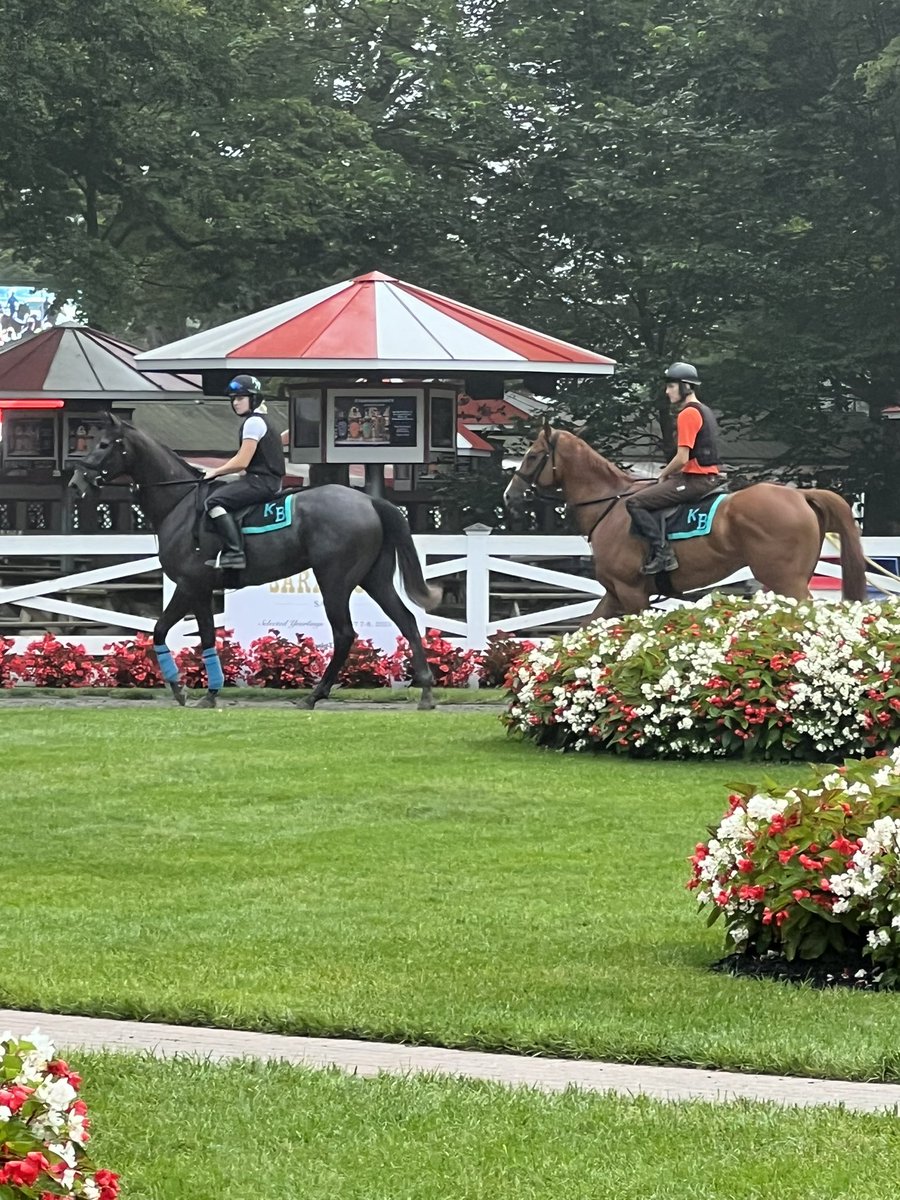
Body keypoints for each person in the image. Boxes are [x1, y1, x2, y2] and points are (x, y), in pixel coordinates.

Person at [625, 362, 723, 575]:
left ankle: (663, 554)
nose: (667, 391)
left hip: (695, 480)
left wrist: (664, 474)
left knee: (635, 502)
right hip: (706, 477)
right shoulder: (705, 410)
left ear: (685, 387)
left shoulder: (688, 413)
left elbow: (681, 457)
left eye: (671, 386)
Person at [203, 375, 285, 569]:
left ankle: (234, 552)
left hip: (260, 483)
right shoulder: (264, 420)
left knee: (213, 501)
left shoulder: (253, 423)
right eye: (233, 399)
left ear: (253, 398)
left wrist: (215, 472)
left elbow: (242, 461)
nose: (235, 403)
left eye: (240, 398)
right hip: (269, 481)